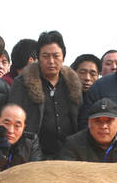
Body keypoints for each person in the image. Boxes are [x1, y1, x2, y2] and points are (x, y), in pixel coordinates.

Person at [8, 30, 81, 159]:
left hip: (69, 154)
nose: (51, 61)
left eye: (56, 55)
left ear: (63, 57)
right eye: (46, 56)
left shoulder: (72, 84)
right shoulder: (22, 83)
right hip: (35, 154)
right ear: (38, 58)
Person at [60, 97, 117, 166]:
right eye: (97, 121)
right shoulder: (73, 144)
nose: (103, 126)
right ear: (89, 123)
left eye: (109, 121)